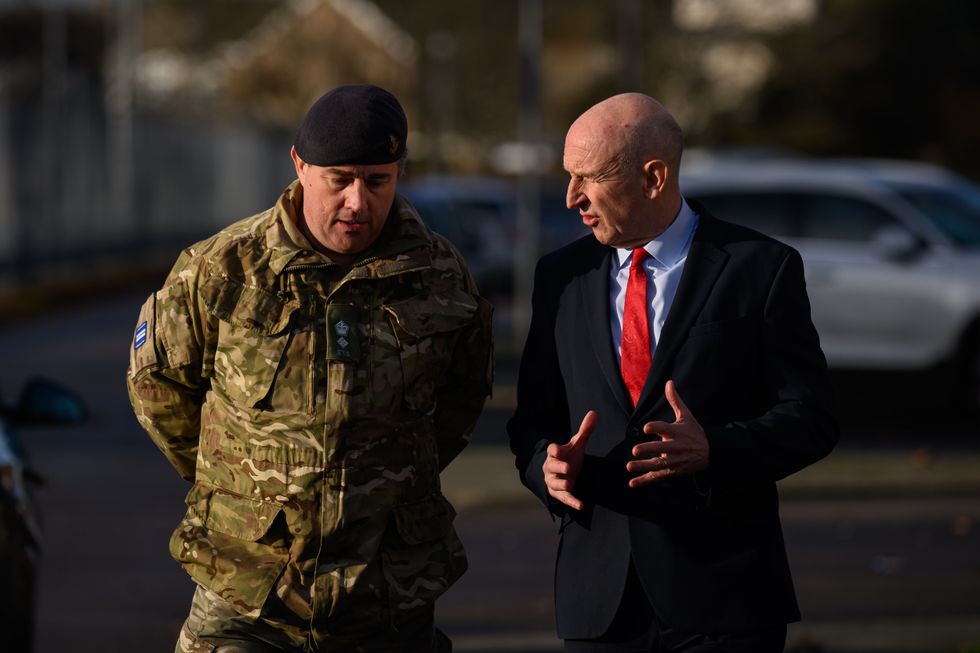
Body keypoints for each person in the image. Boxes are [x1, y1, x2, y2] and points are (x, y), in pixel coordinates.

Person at [127, 84, 493, 653]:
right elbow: (159, 389)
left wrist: (381, 479)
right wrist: (243, 484)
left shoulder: (439, 275)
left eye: (377, 181)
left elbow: (463, 397)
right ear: (300, 165)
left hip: (389, 593)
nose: (357, 202)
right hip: (247, 594)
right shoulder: (221, 271)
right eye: (339, 179)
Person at [507, 93, 838, 652]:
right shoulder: (559, 278)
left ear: (654, 177)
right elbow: (531, 421)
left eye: (587, 178)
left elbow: (811, 418)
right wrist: (547, 467)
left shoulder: (761, 268)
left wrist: (716, 450)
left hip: (725, 600)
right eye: (568, 177)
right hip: (599, 603)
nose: (571, 199)